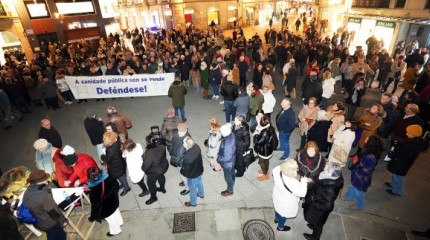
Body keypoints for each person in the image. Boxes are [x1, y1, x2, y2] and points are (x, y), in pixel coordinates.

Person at [341, 135, 384, 210]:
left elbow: (366, 170)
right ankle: (349, 196)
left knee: (358, 191)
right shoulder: (366, 149)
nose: (365, 138)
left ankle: (360, 204)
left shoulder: (371, 157)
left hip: (361, 177)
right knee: (353, 185)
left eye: (367, 139)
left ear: (371, 144)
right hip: (357, 174)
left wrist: (357, 165)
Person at [23, 170, 68, 240]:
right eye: (45, 179)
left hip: (38, 223)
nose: (47, 179)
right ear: (39, 181)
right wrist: (63, 221)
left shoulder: (27, 191)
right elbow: (53, 211)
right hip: (49, 224)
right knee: (60, 236)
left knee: (51, 235)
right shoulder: (43, 196)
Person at [303, 163, 344, 240]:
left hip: (319, 210)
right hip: (317, 204)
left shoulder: (330, 189)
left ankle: (315, 237)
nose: (323, 169)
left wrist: (314, 203)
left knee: (318, 225)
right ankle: (313, 225)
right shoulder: (329, 177)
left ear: (330, 173)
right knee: (316, 222)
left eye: (325, 169)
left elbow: (328, 206)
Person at [386, 125, 429, 196]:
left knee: (399, 177)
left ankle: (397, 191)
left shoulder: (413, 145)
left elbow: (404, 154)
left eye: (408, 133)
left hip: (402, 164)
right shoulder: (414, 141)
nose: (406, 134)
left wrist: (396, 149)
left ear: (414, 135)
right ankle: (393, 184)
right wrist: (398, 145)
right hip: (400, 163)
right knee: (395, 174)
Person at [272, 159, 308, 232]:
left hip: (277, 195)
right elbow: (302, 193)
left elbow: (281, 167)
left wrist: (288, 165)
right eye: (296, 168)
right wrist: (304, 181)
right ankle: (280, 227)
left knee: (277, 208)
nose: (298, 169)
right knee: (283, 214)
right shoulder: (292, 182)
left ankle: (276, 219)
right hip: (286, 201)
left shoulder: (276, 170)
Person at [87, 167, 123, 237]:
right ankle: (120, 222)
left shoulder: (94, 191)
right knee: (116, 212)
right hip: (114, 202)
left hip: (106, 209)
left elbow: (95, 206)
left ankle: (116, 231)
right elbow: (116, 186)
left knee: (111, 220)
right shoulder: (109, 178)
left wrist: (93, 217)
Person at [141, 131, 169, 205]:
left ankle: (153, 197)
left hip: (154, 171)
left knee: (150, 183)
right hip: (163, 166)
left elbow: (146, 165)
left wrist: (142, 169)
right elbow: (164, 155)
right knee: (161, 176)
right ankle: (162, 188)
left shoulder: (149, 152)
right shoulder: (162, 145)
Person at [101, 131, 130, 197]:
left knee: (122, 178)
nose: (103, 140)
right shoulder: (117, 141)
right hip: (121, 163)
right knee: (122, 177)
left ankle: (126, 188)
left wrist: (102, 156)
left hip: (116, 167)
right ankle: (123, 184)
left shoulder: (110, 149)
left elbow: (107, 159)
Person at [180, 137, 205, 207]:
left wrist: (182, 171)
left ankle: (193, 203)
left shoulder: (187, 157)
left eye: (183, 143)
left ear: (187, 146)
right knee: (200, 183)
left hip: (192, 175)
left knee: (192, 189)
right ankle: (201, 194)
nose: (182, 144)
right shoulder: (197, 146)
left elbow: (185, 170)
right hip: (199, 170)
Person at [168, 123, 190, 195]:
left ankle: (188, 188)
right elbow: (171, 144)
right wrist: (171, 152)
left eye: (181, 131)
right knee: (181, 173)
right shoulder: (176, 134)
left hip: (183, 161)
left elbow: (189, 153)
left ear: (186, 130)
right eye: (179, 131)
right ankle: (184, 181)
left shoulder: (188, 139)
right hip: (176, 158)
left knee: (184, 175)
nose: (179, 133)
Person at [253, 115, 277, 181]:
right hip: (269, 149)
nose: (258, 123)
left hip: (264, 151)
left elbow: (258, 142)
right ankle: (266, 171)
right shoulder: (270, 127)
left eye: (259, 122)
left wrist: (256, 134)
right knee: (266, 160)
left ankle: (265, 175)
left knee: (261, 162)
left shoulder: (265, 132)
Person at [217, 123, 237, 196]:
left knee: (227, 176)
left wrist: (219, 159)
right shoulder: (232, 134)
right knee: (232, 172)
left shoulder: (227, 143)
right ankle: (233, 181)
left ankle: (230, 190)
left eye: (221, 132)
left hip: (227, 163)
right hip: (232, 160)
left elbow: (226, 157)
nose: (220, 133)